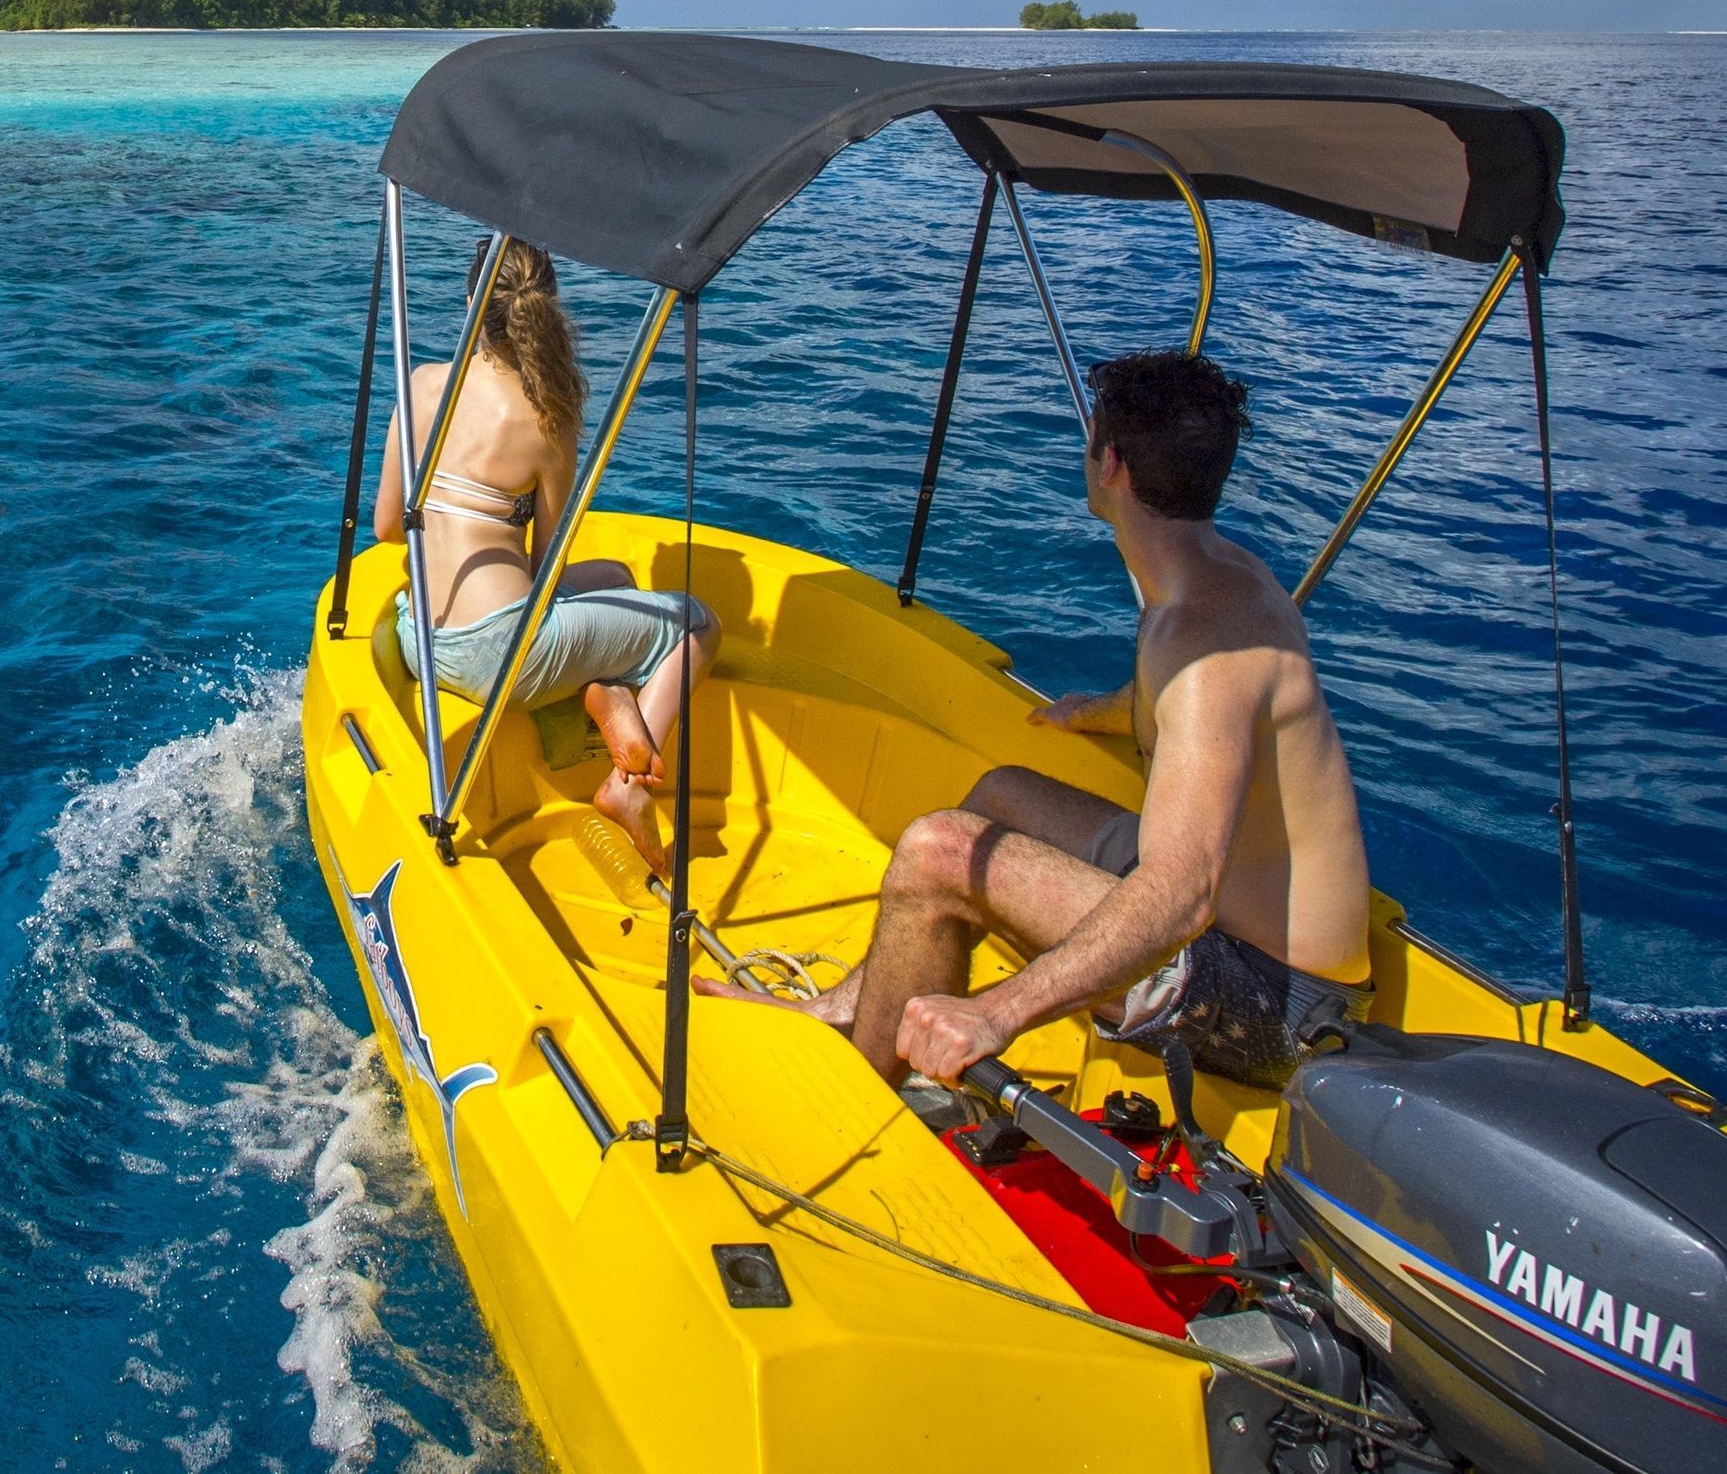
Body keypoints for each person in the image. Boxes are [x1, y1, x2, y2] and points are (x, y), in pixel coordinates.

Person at [730, 350, 1372, 1093]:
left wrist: (996, 1013)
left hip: (1274, 1005)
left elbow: (1182, 893)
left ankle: (854, 1096)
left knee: (939, 851)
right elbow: (1187, 707)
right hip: (1239, 935)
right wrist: (1094, 712)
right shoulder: (1222, 579)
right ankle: (847, 1006)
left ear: (1112, 466)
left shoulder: (1200, 644)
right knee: (1000, 795)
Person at [375, 241, 719, 853]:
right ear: (546, 310)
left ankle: (605, 691)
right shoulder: (546, 418)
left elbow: (386, 527)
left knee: (616, 577)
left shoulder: (422, 384)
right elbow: (546, 566)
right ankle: (627, 787)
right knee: (697, 624)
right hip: (502, 657)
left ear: (472, 303)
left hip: (421, 639)